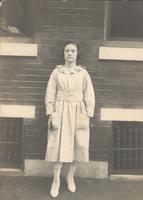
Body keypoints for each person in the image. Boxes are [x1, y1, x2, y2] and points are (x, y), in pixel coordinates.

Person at [45, 41, 95, 198]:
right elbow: (50, 93)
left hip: (78, 111)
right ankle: (56, 180)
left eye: (73, 51)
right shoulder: (57, 73)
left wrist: (88, 114)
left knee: (76, 144)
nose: (69, 53)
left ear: (76, 54)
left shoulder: (83, 73)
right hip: (60, 110)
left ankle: (70, 176)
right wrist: (51, 113)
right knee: (58, 145)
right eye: (67, 50)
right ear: (63, 53)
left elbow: (89, 94)